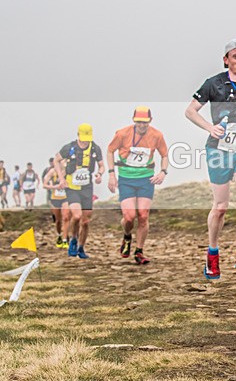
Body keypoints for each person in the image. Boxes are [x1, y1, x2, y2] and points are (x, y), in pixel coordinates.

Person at [185, 39, 236, 280]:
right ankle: (212, 253)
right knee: (220, 208)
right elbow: (190, 111)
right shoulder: (214, 84)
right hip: (218, 150)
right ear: (226, 60)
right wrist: (210, 127)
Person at [107, 106, 169, 265]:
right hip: (126, 179)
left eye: (145, 123)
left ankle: (139, 251)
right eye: (139, 122)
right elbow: (110, 150)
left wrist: (162, 172)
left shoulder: (157, 135)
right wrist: (111, 174)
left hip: (146, 179)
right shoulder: (122, 134)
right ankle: (127, 236)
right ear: (134, 121)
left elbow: (164, 155)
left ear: (150, 121)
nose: (142, 126)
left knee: (143, 214)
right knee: (129, 217)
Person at [54, 123, 105, 259]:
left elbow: (101, 165)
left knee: (86, 221)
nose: (85, 141)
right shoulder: (69, 147)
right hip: (72, 187)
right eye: (83, 138)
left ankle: (81, 247)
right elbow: (56, 160)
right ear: (78, 135)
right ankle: (73, 240)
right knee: (76, 216)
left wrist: (100, 174)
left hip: (87, 188)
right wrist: (61, 179)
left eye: (87, 138)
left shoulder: (95, 148)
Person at [43, 161, 70, 248]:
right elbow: (44, 185)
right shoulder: (52, 171)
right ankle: (59, 235)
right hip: (55, 198)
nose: (65, 162)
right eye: (63, 161)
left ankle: (65, 240)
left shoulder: (68, 171)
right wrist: (55, 187)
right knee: (58, 220)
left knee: (66, 217)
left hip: (65, 198)